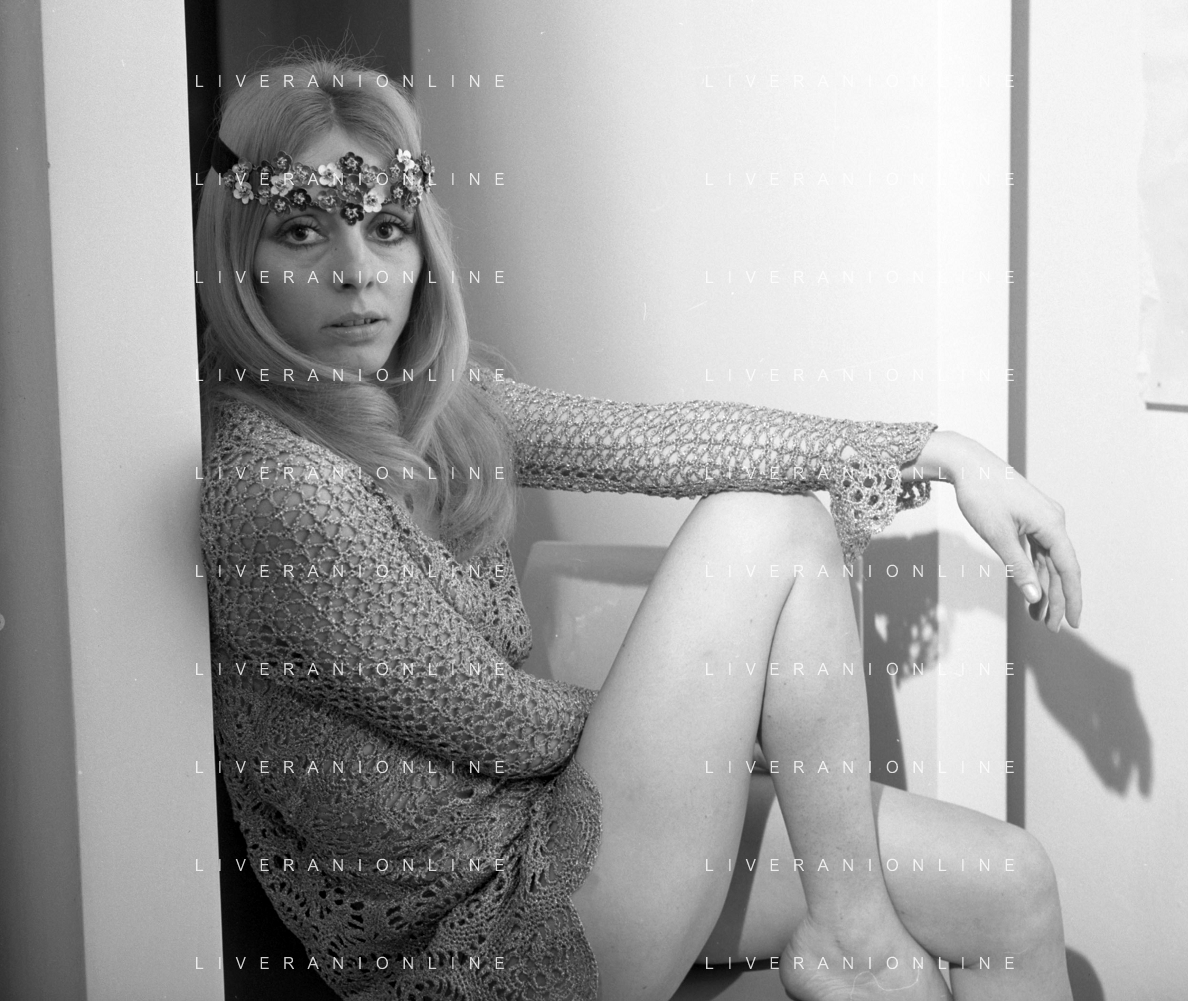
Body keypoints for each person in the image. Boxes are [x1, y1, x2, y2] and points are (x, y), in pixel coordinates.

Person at [195, 53, 1082, 1001]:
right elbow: (498, 724)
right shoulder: (277, 488)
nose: (355, 274)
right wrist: (729, 711)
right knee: (766, 530)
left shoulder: (433, 406)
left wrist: (948, 454)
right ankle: (855, 939)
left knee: (1011, 885)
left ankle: (849, 935)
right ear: (240, 257)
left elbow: (657, 440)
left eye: (385, 228)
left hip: (562, 838)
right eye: (302, 229)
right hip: (483, 942)